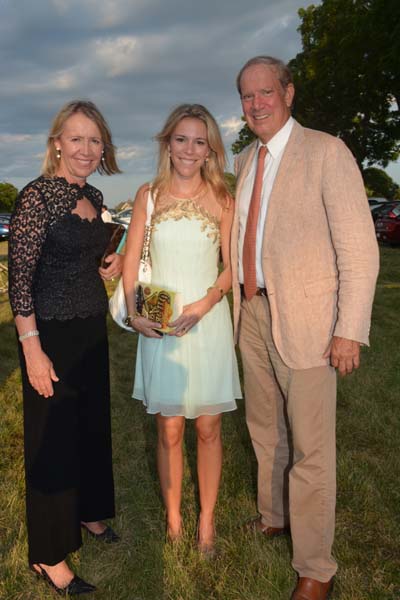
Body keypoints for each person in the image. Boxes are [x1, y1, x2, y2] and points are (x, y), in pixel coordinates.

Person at [231, 56, 379, 600]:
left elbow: (360, 250)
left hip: (311, 322)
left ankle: (316, 567)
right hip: (251, 313)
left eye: (265, 92)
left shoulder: (325, 151)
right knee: (264, 429)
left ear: (288, 93)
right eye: (247, 97)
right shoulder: (246, 159)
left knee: (312, 449)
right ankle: (274, 515)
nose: (256, 104)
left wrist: (349, 328)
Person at [8, 100, 123, 596]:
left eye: (95, 141)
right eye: (76, 139)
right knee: (52, 439)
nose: (86, 149)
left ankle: (92, 513)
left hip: (90, 327)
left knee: (91, 427)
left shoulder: (94, 195)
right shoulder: (37, 197)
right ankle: (50, 556)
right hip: (49, 333)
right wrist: (32, 349)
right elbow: (19, 280)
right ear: (57, 141)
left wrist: (107, 262)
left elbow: (84, 255)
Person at [123, 104, 242, 555]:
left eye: (199, 141)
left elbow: (233, 268)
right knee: (169, 428)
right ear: (167, 144)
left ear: (210, 147)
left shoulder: (223, 197)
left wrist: (208, 301)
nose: (189, 149)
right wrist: (136, 314)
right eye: (181, 139)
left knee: (209, 427)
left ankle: (206, 524)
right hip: (161, 322)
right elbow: (132, 262)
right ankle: (174, 520)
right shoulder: (147, 195)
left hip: (207, 322)